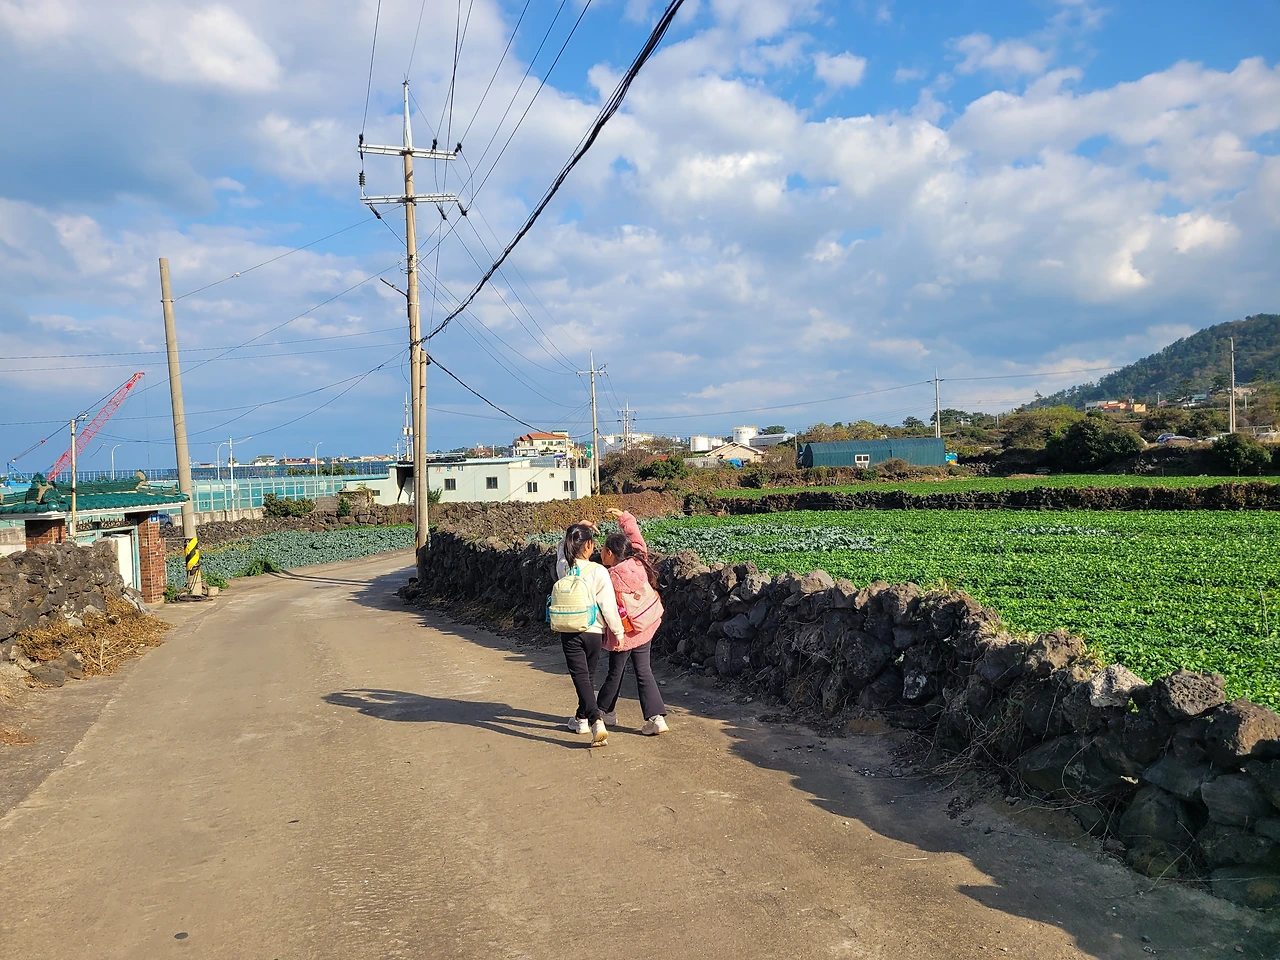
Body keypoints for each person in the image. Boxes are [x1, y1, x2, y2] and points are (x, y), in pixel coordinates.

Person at [596, 508, 669, 736]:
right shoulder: (638, 562)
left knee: (615, 672)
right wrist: (625, 519)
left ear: (609, 553)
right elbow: (637, 541)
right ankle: (656, 718)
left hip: (625, 633)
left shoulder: (609, 578)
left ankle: (601, 712)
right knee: (644, 671)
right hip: (646, 625)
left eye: (603, 549)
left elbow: (607, 609)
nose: (600, 552)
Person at [556, 522, 625, 746]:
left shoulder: (564, 568)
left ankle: (587, 719)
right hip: (594, 631)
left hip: (570, 630)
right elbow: (608, 606)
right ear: (588, 545)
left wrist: (572, 529)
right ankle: (589, 719)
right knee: (588, 677)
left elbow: (561, 552)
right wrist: (618, 632)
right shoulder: (599, 571)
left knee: (581, 677)